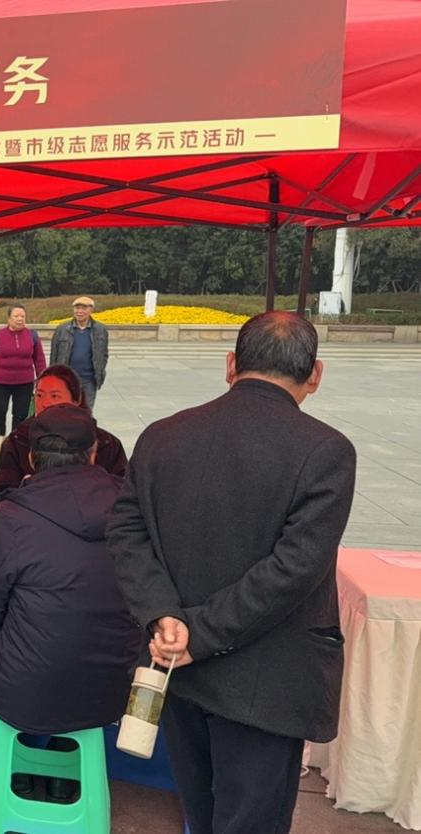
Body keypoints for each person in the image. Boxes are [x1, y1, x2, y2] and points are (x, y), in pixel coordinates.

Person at [107, 312, 356, 834]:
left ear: (230, 365)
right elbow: (296, 569)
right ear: (315, 374)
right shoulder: (325, 450)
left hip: (176, 668)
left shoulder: (162, 435)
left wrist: (164, 617)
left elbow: (127, 532)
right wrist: (197, 634)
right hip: (264, 686)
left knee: (200, 813)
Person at [0, 406, 140, 791]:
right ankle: (63, 773)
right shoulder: (131, 506)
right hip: (116, 685)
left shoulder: (13, 515)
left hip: (29, 689)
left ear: (32, 457)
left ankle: (5, 767)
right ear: (93, 453)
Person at [0, 365, 127, 502]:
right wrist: (25, 491)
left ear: (77, 400)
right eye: (39, 395)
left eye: (55, 396)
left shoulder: (106, 443)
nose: (45, 403)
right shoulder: (18, 440)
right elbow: (2, 492)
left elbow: (121, 493)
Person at [0, 303, 46, 453]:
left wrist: (43, 377)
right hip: (0, 382)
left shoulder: (32, 336)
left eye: (22, 316)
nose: (20, 319)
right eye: (16, 316)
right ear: (8, 319)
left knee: (20, 413)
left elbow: (39, 358)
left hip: (25, 382)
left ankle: (16, 438)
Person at [50, 296, 109, 410]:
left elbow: (104, 354)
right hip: (66, 380)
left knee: (85, 413)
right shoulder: (62, 329)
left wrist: (100, 370)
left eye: (84, 308)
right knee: (64, 411)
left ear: (91, 310)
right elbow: (54, 356)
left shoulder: (100, 330)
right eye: (77, 308)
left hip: (89, 381)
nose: (80, 311)